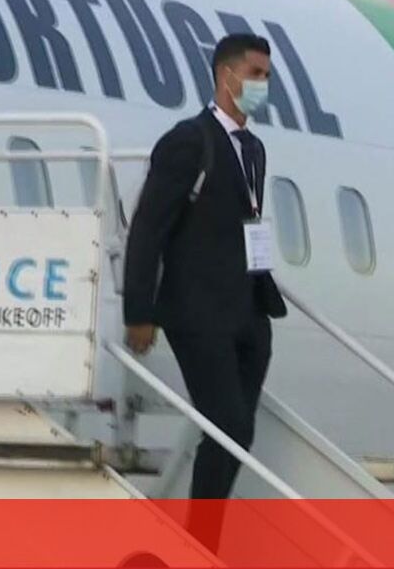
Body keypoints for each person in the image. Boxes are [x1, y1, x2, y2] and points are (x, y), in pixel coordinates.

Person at [123, 33, 287, 534]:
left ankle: (203, 534)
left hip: (247, 311)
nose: (262, 85)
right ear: (226, 75)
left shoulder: (254, 149)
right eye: (256, 74)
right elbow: (149, 227)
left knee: (240, 432)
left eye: (267, 76)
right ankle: (201, 539)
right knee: (227, 424)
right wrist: (140, 311)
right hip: (196, 312)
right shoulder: (188, 141)